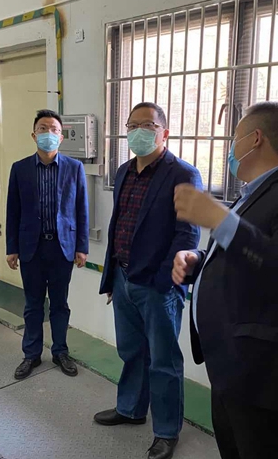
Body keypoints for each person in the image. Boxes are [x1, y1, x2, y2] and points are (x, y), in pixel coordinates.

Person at [172, 102, 278, 459]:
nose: (231, 148)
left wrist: (220, 220)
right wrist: (198, 261)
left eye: (235, 138)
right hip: (231, 366)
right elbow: (244, 257)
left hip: (266, 378)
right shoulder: (251, 195)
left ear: (255, 139)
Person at [94, 102, 202, 459]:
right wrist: (112, 278)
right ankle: (130, 409)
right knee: (131, 351)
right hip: (123, 277)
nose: (138, 131)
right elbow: (119, 226)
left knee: (163, 361)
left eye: (148, 125)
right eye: (132, 125)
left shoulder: (183, 174)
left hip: (158, 286)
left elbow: (187, 235)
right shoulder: (124, 170)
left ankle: (167, 431)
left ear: (164, 132)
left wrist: (163, 282)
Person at [6, 109, 89, 380]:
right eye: (43, 128)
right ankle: (31, 354)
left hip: (62, 247)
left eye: (54, 129)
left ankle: (60, 351)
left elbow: (81, 209)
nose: (48, 133)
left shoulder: (74, 168)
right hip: (31, 247)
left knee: (59, 304)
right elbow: (13, 210)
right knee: (32, 304)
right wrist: (12, 247)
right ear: (34, 135)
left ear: (61, 137)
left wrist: (82, 246)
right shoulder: (20, 169)